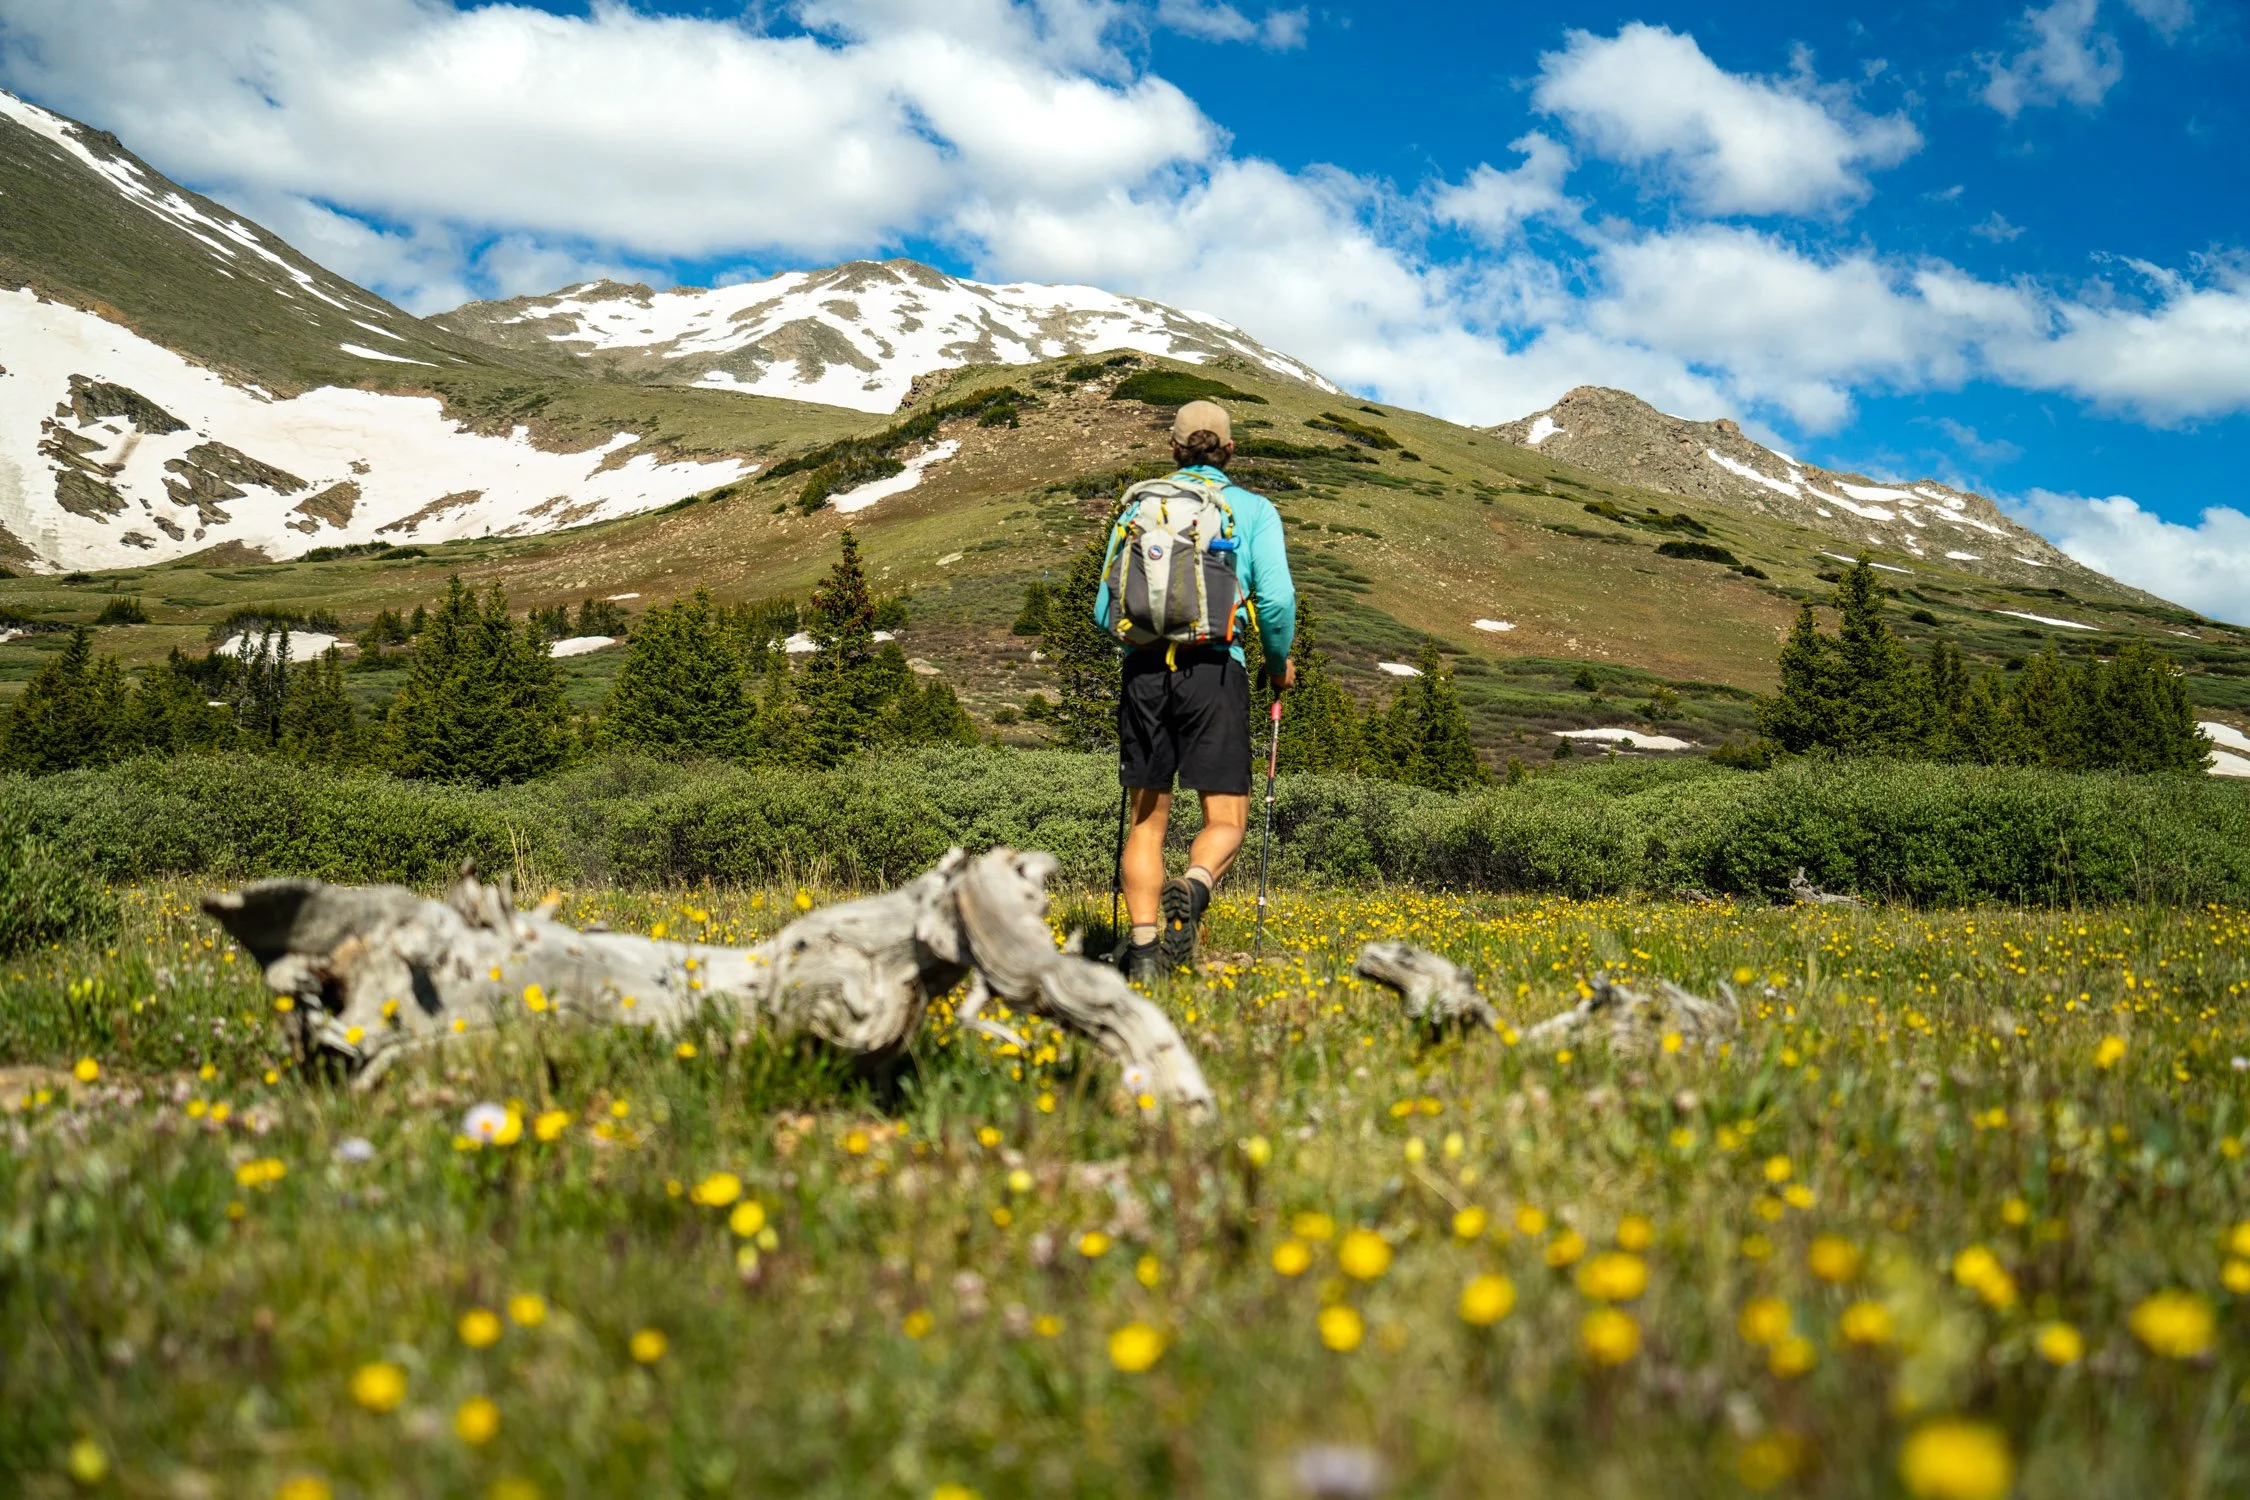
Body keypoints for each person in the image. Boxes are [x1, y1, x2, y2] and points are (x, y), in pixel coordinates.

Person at [1093, 399, 1295, 979]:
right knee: (1227, 818)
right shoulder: (1251, 509)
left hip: (1145, 673)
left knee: (1146, 823)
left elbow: (1105, 607)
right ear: (1230, 449)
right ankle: (1196, 885)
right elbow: (1276, 602)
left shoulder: (1139, 507)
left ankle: (1144, 954)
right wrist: (1277, 664)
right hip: (1215, 668)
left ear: (1174, 448)